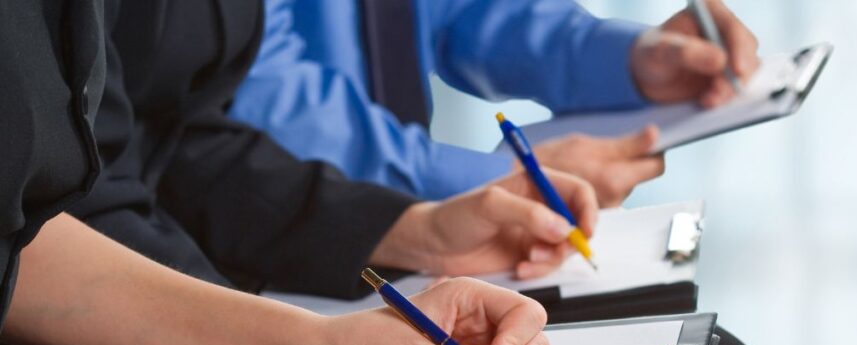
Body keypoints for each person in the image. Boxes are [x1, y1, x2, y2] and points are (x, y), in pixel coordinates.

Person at [56, 1, 778, 345]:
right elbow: (250, 116)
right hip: (145, 318)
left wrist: (418, 228)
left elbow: (192, 142)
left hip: (226, 264)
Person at [229, 0, 761, 206]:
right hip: (258, 257)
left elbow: (464, 14)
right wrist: (496, 181)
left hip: (402, 226)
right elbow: (268, 101)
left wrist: (630, 59)